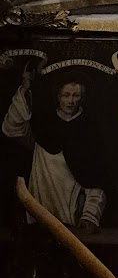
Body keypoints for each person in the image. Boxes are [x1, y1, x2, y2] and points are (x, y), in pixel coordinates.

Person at [2, 66, 106, 233]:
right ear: (58, 96)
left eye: (76, 95)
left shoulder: (89, 132)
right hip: (38, 216)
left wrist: (89, 215)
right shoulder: (43, 125)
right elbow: (12, 128)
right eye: (66, 95)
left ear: (83, 98)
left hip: (71, 219)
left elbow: (94, 180)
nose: (71, 101)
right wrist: (25, 88)